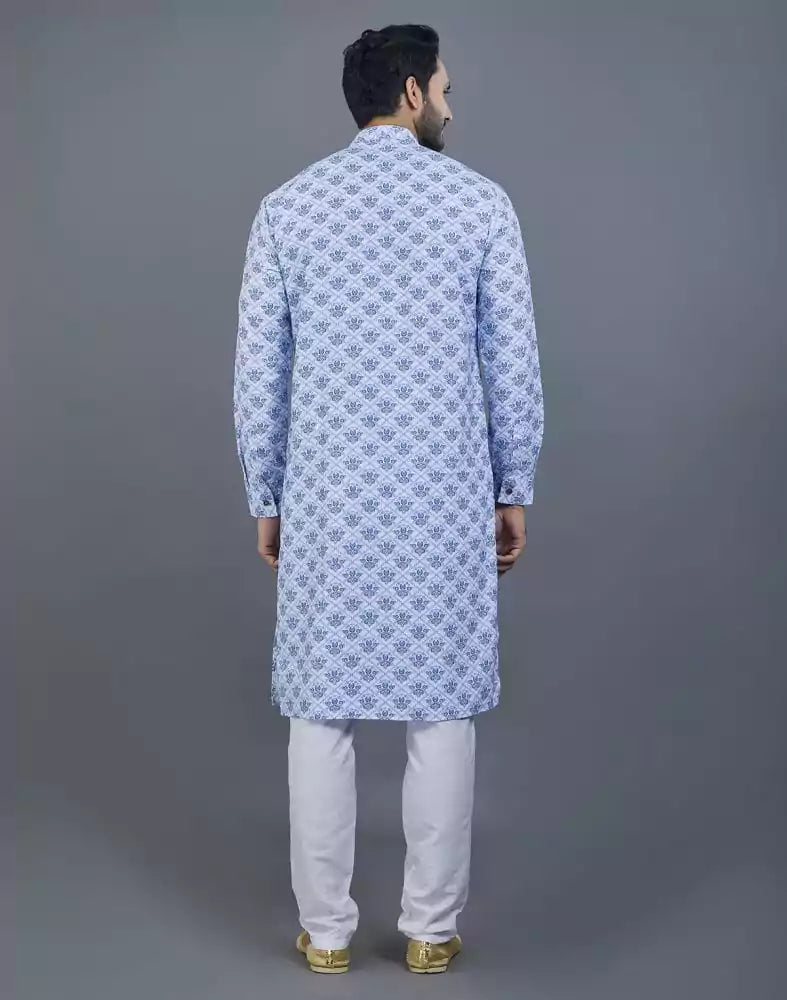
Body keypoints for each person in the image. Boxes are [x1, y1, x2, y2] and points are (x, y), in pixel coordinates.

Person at [232, 23, 544, 975]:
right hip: (442, 499)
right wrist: (513, 484)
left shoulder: (288, 208)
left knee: (319, 712)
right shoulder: (478, 203)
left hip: (327, 500)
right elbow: (511, 364)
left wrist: (267, 494)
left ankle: (327, 934)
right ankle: (429, 930)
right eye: (443, 87)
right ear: (410, 92)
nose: (449, 102)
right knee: (440, 710)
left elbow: (259, 375)